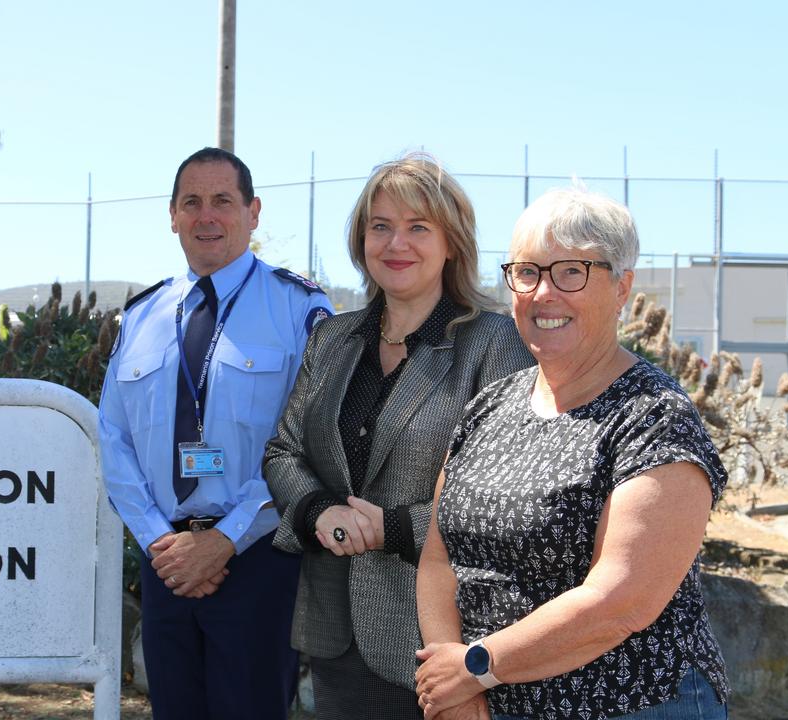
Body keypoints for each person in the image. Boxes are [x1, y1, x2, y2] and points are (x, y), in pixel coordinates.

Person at [415, 188, 730, 720]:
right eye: (528, 271)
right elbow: (438, 558)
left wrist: (472, 668)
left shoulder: (654, 417)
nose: (543, 293)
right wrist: (457, 693)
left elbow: (620, 602)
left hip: (629, 704)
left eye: (571, 272)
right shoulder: (491, 404)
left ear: (622, 287)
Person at [262, 153, 534, 720]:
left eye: (418, 227)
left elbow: (500, 493)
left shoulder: (491, 343)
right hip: (335, 629)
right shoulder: (333, 339)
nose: (396, 243)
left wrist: (391, 529)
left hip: (445, 638)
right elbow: (284, 450)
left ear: (451, 242)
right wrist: (318, 513)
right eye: (380, 226)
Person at [98, 147, 334, 719]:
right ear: (172, 215)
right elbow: (113, 438)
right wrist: (161, 543)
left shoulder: (298, 308)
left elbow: (307, 442)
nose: (207, 216)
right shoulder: (141, 317)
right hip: (167, 564)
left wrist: (224, 539)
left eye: (223, 201)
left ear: (253, 212)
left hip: (258, 558)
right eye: (192, 202)